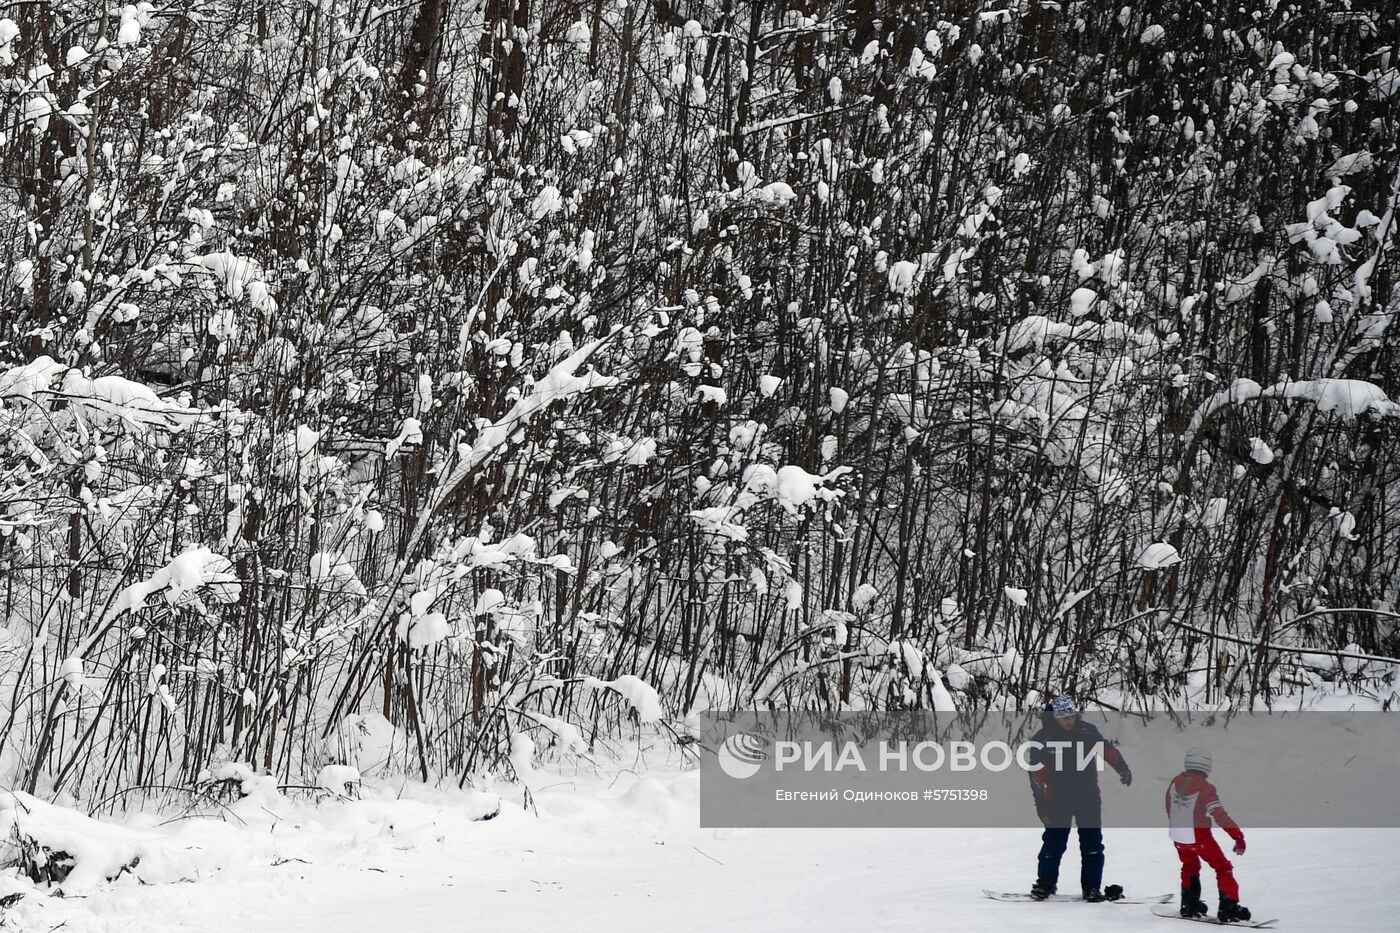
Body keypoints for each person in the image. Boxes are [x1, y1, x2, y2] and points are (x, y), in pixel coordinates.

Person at [1026, 694, 1132, 902]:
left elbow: (1106, 750)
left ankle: (1091, 888)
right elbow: (1036, 773)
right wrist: (1042, 803)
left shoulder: (1087, 731)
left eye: (1072, 716)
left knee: (1092, 844)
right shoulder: (1043, 738)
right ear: (1055, 717)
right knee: (1053, 843)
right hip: (1057, 799)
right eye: (1064, 717)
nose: (1069, 721)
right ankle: (1045, 884)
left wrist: (1122, 767)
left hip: (1088, 797)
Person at [1166, 747, 1252, 923]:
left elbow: (1170, 808)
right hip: (1199, 838)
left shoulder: (1174, 783)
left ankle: (1188, 906)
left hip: (1178, 837)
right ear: (1207, 767)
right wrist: (1237, 836)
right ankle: (1229, 908)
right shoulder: (1206, 788)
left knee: (1189, 867)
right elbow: (1219, 814)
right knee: (1222, 867)